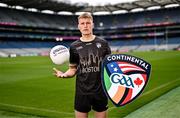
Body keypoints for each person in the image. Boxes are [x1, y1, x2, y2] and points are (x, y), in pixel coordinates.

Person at [53, 12, 111, 118]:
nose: (85, 26)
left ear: (92, 25)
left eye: (88, 23)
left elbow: (110, 67)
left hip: (101, 91)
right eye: (82, 23)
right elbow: (72, 69)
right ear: (79, 26)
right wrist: (64, 74)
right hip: (82, 92)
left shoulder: (103, 43)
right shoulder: (74, 46)